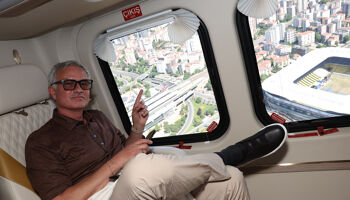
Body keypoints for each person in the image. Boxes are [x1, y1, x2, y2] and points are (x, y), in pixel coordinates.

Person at [25, 61, 287, 200]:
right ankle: (229, 153)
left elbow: (128, 152)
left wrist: (137, 128)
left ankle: (226, 161)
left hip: (134, 183)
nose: (79, 88)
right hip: (102, 195)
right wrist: (117, 163)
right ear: (53, 91)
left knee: (231, 179)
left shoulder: (97, 117)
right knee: (141, 169)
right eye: (69, 84)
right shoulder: (40, 141)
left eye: (84, 83)